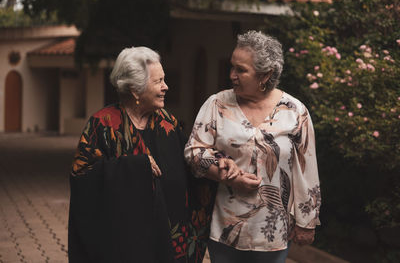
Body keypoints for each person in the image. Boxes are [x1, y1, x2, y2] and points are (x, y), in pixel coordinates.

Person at [184, 30, 321, 263]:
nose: (232, 75)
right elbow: (193, 151)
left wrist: (307, 221)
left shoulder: (295, 112)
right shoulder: (217, 104)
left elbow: (307, 170)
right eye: (232, 67)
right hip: (224, 226)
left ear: (265, 75)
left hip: (274, 230)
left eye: (241, 70)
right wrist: (224, 173)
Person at [68, 46, 210, 263]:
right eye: (158, 82)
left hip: (173, 242)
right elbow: (82, 178)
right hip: (125, 247)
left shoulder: (167, 122)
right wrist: (135, 166)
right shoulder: (103, 125)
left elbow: (191, 162)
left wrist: (217, 164)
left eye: (164, 80)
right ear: (135, 90)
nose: (166, 87)